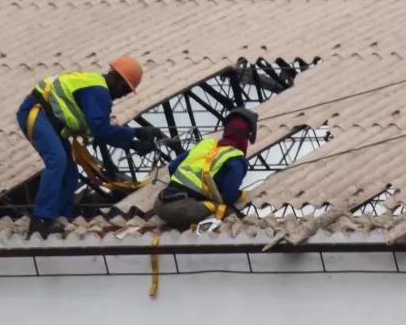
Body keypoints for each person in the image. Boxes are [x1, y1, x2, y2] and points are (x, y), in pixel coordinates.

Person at [16, 57, 161, 238]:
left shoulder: (96, 88)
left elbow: (99, 132)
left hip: (48, 121)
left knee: (70, 173)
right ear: (115, 78)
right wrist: (135, 135)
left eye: (127, 91)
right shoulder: (98, 92)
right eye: (124, 88)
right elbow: (101, 130)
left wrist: (133, 143)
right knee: (57, 160)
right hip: (36, 113)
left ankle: (61, 219)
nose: (123, 94)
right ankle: (40, 222)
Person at [154, 108, 257, 231]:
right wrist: (241, 195)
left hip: (159, 203)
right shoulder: (236, 159)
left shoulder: (205, 144)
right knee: (223, 209)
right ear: (245, 138)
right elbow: (228, 195)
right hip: (181, 210)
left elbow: (172, 166)